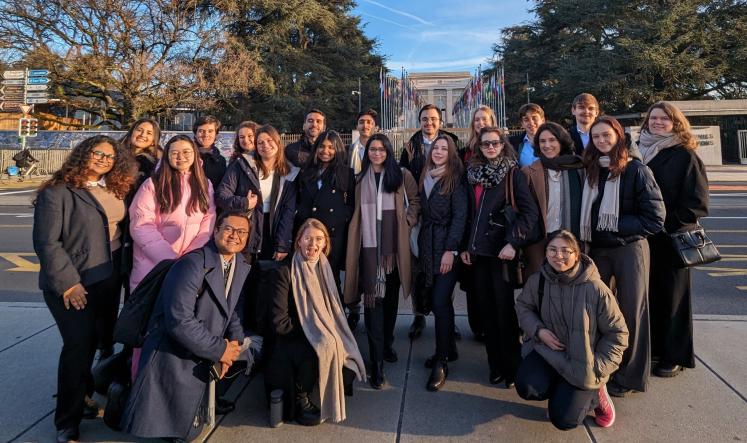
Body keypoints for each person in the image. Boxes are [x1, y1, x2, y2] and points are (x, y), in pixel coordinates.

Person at [33, 135, 135, 443]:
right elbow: (47, 243)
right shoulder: (58, 192)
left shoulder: (114, 188)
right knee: (78, 346)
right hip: (73, 283)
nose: (104, 159)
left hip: (108, 278)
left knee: (96, 341)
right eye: (98, 153)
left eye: (110, 156)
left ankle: (86, 395)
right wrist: (68, 283)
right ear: (83, 154)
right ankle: (67, 421)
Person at [121, 210, 252, 441]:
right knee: (179, 432)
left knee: (190, 429)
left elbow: (231, 307)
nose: (235, 236)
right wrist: (220, 350)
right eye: (229, 229)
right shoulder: (192, 264)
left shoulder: (239, 264)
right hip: (173, 353)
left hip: (203, 346)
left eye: (242, 232)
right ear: (216, 231)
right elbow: (179, 320)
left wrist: (235, 342)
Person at [581, 116, 665, 397]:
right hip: (599, 249)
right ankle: (604, 365)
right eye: (596, 137)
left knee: (632, 312)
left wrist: (613, 222)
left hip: (630, 248)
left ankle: (630, 376)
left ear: (618, 136)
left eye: (607, 135)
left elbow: (655, 219)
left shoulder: (636, 170)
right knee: (599, 312)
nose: (602, 141)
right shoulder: (592, 169)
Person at [515, 230, 628, 430]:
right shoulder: (539, 280)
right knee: (527, 386)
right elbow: (523, 307)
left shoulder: (596, 289)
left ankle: (597, 393)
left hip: (584, 362)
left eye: (566, 251)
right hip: (548, 353)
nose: (558, 256)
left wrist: (598, 369)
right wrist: (538, 331)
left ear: (577, 254)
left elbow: (618, 335)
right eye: (552, 250)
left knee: (563, 419)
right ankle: (561, 394)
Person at [265, 218, 366, 426]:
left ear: (325, 243)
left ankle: (334, 383)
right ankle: (301, 399)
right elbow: (279, 322)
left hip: (321, 329)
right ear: (298, 241)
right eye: (308, 238)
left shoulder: (325, 269)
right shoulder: (284, 272)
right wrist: (314, 332)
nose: (313, 244)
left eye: (318, 239)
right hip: (291, 334)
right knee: (319, 347)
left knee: (345, 345)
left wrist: (331, 330)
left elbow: (334, 310)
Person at [462, 126, 539, 388]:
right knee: (486, 311)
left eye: (495, 143)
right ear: (479, 148)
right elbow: (468, 214)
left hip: (501, 252)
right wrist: (465, 246)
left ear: (503, 145)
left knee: (504, 312)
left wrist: (513, 242)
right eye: (486, 145)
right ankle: (495, 365)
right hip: (478, 252)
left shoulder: (513, 174)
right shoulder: (472, 174)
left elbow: (529, 214)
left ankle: (512, 366)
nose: (491, 148)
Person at [638, 101, 709, 378]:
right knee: (651, 296)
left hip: (671, 238)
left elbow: (697, 203)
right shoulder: (640, 151)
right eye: (653, 118)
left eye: (664, 119)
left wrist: (665, 225)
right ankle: (655, 349)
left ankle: (674, 356)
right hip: (644, 238)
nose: (657, 122)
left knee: (674, 299)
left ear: (676, 123)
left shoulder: (685, 155)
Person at [344, 134, 420, 389]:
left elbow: (416, 201)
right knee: (373, 304)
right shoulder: (358, 180)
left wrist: (407, 222)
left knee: (389, 304)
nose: (377, 153)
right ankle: (376, 365)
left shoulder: (401, 175)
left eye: (381, 149)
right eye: (372, 149)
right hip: (367, 250)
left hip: (393, 252)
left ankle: (386, 344)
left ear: (388, 151)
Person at [399, 103, 460, 340]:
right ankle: (419, 314)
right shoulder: (411, 145)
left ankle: (447, 316)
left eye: (433, 119)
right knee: (418, 268)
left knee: (445, 269)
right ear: (420, 121)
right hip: (420, 215)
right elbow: (404, 179)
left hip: (443, 216)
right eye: (425, 119)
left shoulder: (451, 142)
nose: (429, 123)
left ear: (440, 121)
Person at [416, 134, 468, 391]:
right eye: (435, 147)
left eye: (443, 148)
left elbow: (460, 216)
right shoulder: (426, 174)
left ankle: (442, 360)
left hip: (446, 246)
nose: (438, 151)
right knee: (440, 301)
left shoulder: (455, 178)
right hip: (428, 244)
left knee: (439, 301)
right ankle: (450, 348)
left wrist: (451, 250)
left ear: (451, 153)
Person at [522, 122, 585, 276]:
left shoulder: (578, 169)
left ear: (561, 142)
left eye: (552, 140)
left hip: (571, 237)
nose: (547, 145)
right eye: (542, 141)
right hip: (539, 240)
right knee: (540, 287)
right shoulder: (528, 172)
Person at [295, 130, 355, 291]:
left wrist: (341, 217)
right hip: (308, 233)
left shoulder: (345, 173)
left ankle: (334, 314)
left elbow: (351, 204)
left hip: (332, 234)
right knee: (307, 277)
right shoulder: (306, 172)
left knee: (331, 278)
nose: (325, 151)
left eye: (331, 147)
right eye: (322, 146)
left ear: (338, 149)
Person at [459, 105, 498, 342]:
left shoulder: (503, 152)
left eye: (485, 119)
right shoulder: (466, 152)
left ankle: (495, 325)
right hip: (471, 222)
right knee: (474, 282)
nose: (481, 122)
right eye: (477, 120)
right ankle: (478, 327)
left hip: (495, 226)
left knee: (494, 283)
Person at [216, 122, 262, 260]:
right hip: (246, 230)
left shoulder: (271, 161)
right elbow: (221, 195)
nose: (246, 140)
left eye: (250, 136)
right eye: (242, 137)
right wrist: (244, 202)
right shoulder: (238, 164)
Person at [253, 124, 299, 261]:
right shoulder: (249, 168)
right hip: (252, 225)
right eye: (260, 142)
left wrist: (282, 244)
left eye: (269, 140)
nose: (265, 145)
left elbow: (288, 211)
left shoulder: (290, 172)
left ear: (277, 142)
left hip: (274, 227)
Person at [121, 117, 161, 189]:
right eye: (139, 130)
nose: (142, 135)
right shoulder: (115, 154)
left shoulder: (149, 164)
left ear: (153, 141)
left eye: (149, 133)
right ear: (131, 133)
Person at [193, 115, 227, 190]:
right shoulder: (188, 157)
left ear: (216, 135)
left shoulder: (221, 161)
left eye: (210, 131)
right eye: (201, 131)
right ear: (195, 134)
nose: (206, 135)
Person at [509, 103, 546, 168]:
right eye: (526, 119)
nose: (531, 122)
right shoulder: (513, 143)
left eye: (534, 118)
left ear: (543, 120)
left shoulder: (553, 141)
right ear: (522, 124)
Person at [347, 109, 378, 175]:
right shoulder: (348, 151)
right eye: (361, 122)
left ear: (375, 127)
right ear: (357, 127)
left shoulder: (383, 151)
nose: (365, 126)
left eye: (369, 122)